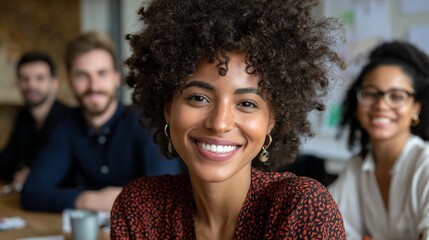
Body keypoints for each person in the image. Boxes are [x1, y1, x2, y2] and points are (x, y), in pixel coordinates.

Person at [110, 0, 346, 239]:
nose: (220, 123)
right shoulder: (139, 208)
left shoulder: (300, 208)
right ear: (168, 108)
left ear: (271, 121)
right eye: (199, 98)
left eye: (246, 104)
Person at [21, 31, 183, 213]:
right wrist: (88, 200)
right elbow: (32, 193)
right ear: (70, 82)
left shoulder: (146, 123)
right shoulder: (65, 126)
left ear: (116, 79)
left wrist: (124, 200)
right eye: (82, 75)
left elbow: (166, 196)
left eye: (102, 74)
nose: (94, 86)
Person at [329, 41, 429, 240]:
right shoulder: (356, 169)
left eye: (397, 96)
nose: (382, 105)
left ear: (415, 108)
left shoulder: (425, 163)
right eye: (371, 93)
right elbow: (324, 226)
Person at [0, 51, 71, 192]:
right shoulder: (23, 117)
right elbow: (5, 163)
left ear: (54, 83)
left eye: (39, 78)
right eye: (24, 78)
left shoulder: (68, 119)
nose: (31, 85)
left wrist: (33, 174)